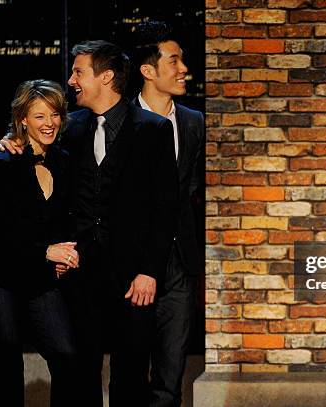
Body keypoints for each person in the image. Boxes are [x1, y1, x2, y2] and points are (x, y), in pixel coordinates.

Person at [0, 41, 179, 406]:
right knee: (79, 376)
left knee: (130, 376)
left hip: (134, 280)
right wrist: (9, 143)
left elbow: (165, 209)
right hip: (79, 276)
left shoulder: (153, 129)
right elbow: (33, 151)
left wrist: (149, 271)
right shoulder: (70, 128)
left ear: (106, 76)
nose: (71, 80)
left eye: (79, 71)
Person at [0, 79, 80, 406]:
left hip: (40, 277)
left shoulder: (63, 160)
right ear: (22, 119)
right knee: (8, 366)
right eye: (39, 116)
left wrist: (65, 254)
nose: (49, 123)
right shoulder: (4, 163)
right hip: (1, 275)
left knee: (65, 354)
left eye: (54, 115)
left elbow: (67, 218)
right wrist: (47, 252)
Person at [132, 21, 204, 407]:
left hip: (180, 265)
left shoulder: (194, 122)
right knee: (130, 375)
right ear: (148, 70)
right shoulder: (119, 122)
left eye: (182, 60)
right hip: (132, 266)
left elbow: (193, 189)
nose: (183, 69)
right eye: (174, 60)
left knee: (170, 378)